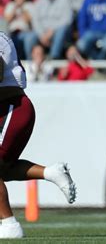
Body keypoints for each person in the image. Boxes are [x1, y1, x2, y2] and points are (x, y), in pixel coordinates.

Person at [0, 32, 77, 239]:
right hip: (8, 108)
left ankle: (9, 225)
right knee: (3, 170)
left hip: (11, 107)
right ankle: (51, 172)